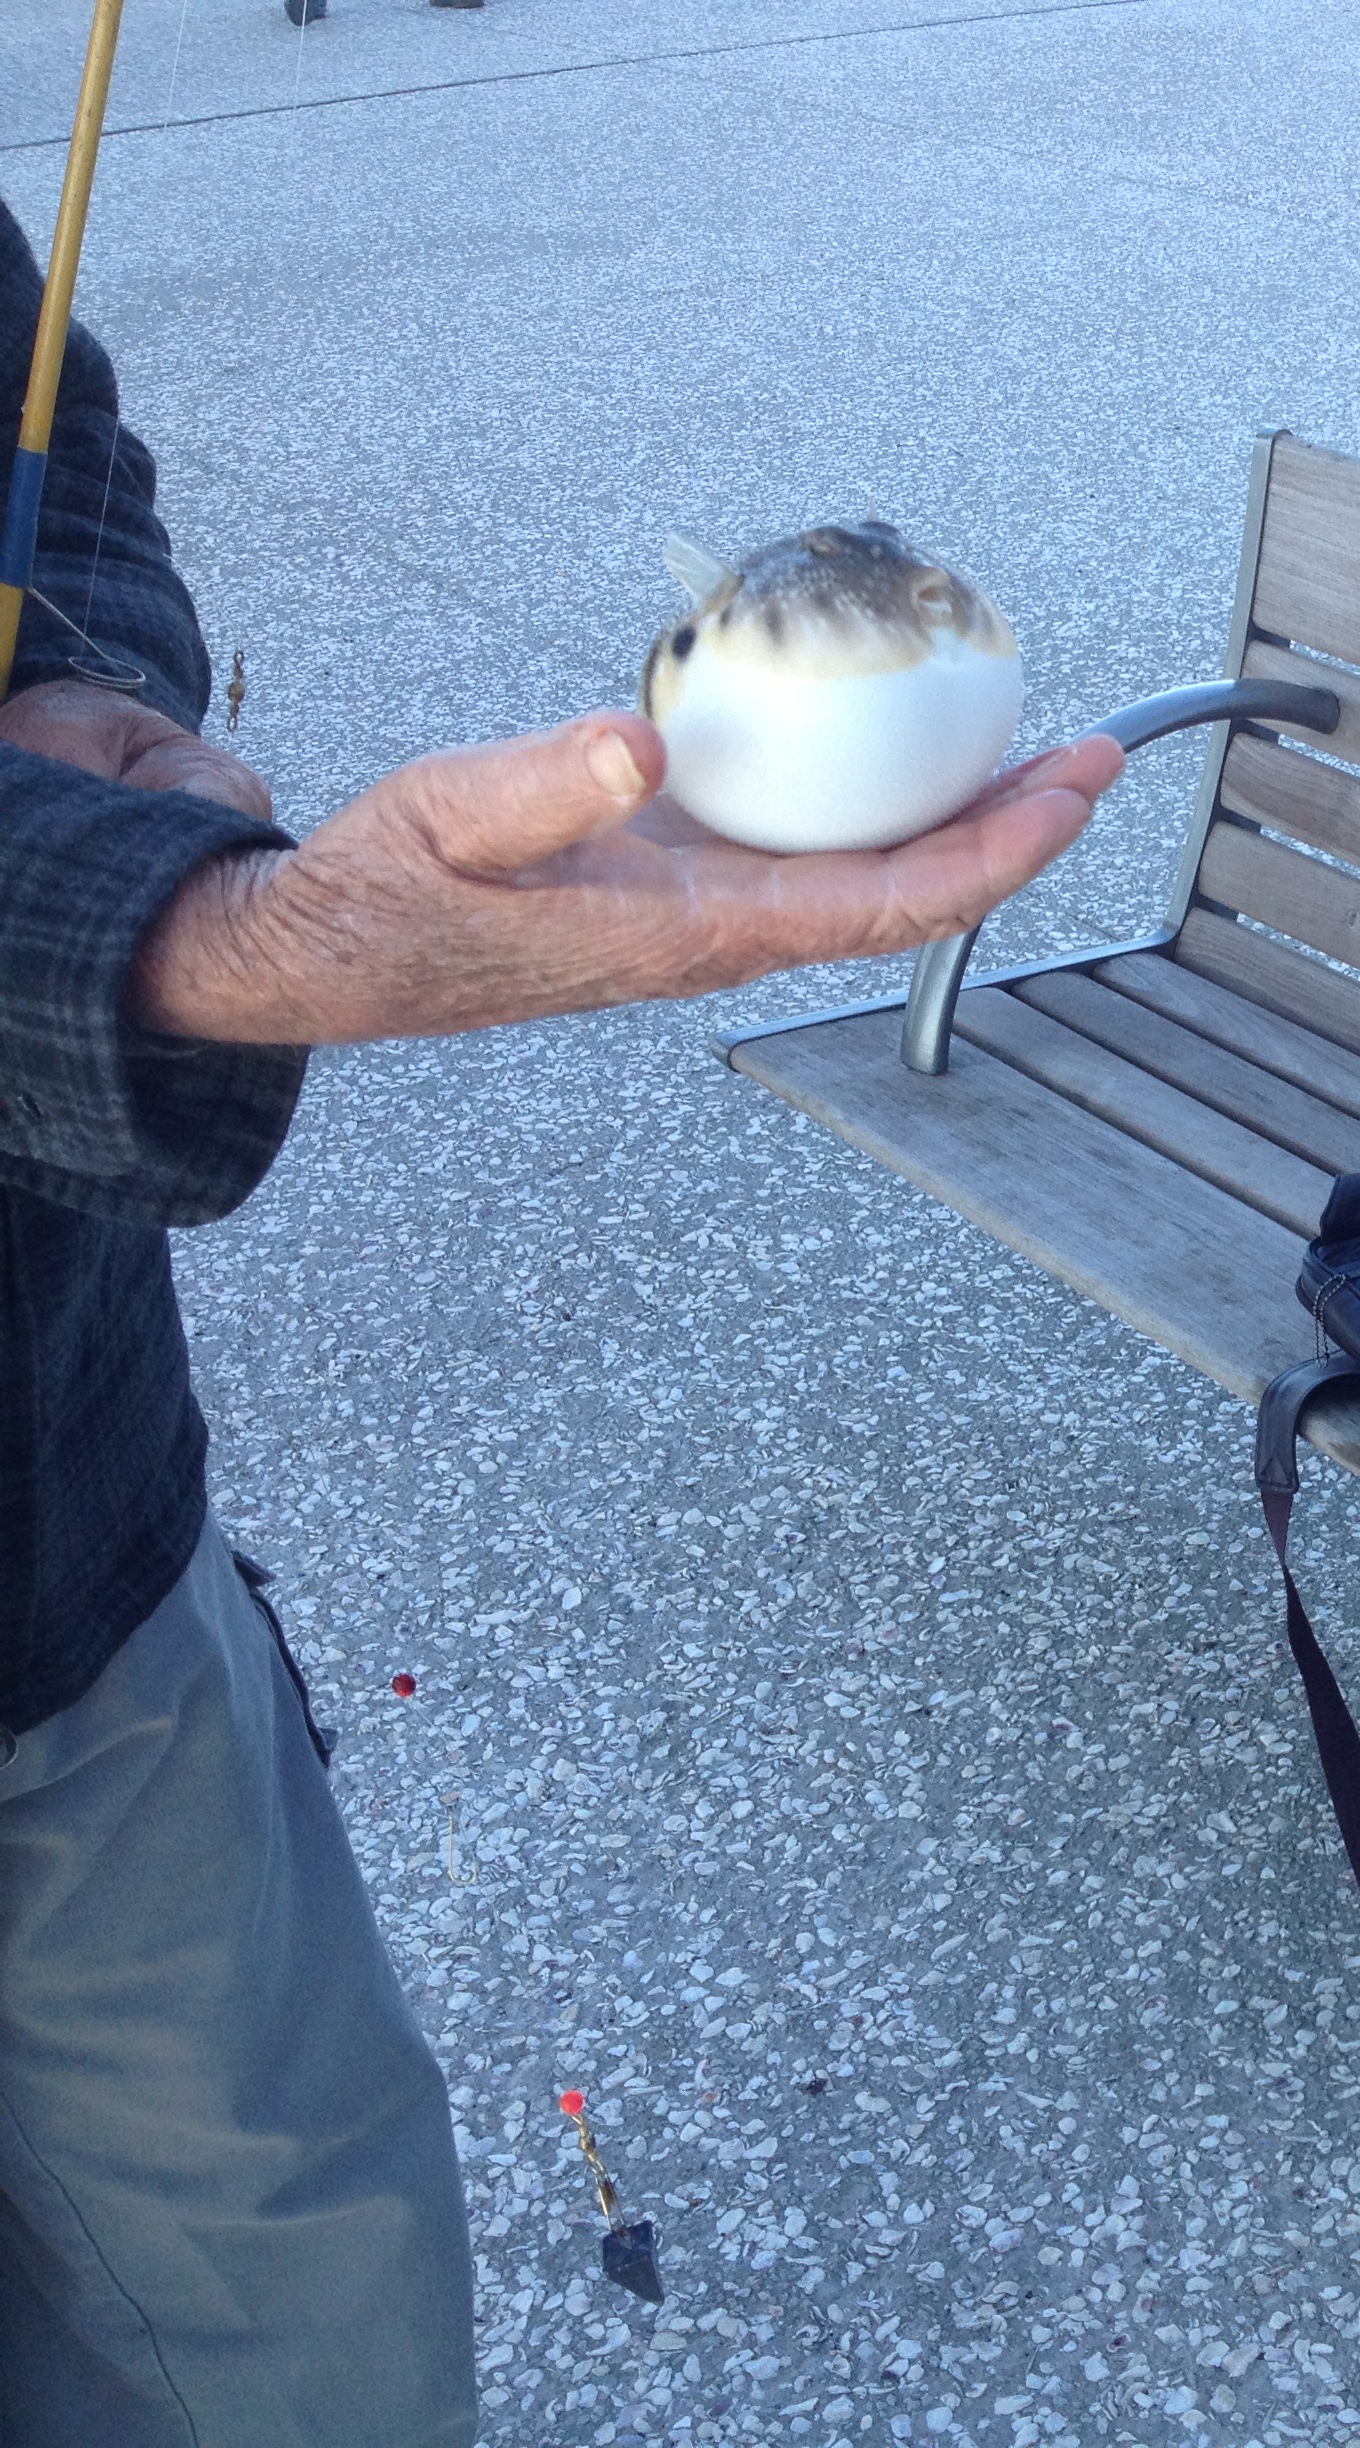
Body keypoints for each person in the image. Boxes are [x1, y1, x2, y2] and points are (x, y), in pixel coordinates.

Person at [0, 199, 1120, 2443]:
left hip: (65, 1530)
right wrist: (173, 943)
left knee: (294, 2257)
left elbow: (55, 447)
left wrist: (69, 671)